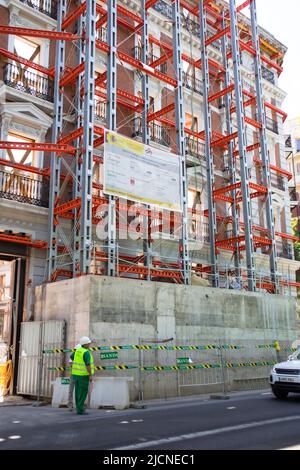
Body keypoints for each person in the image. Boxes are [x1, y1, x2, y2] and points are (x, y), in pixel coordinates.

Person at [70, 336, 95, 415]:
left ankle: (78, 407)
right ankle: (80, 409)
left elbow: (71, 356)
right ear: (85, 344)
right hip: (83, 375)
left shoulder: (77, 351)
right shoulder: (86, 352)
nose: (89, 344)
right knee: (83, 392)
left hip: (75, 375)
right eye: (88, 343)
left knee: (77, 392)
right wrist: (90, 375)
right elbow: (88, 365)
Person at [68, 343, 81, 411]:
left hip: (80, 375)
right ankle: (70, 405)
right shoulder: (73, 355)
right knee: (71, 390)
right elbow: (70, 364)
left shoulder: (81, 356)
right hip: (73, 375)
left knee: (79, 391)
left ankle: (78, 405)